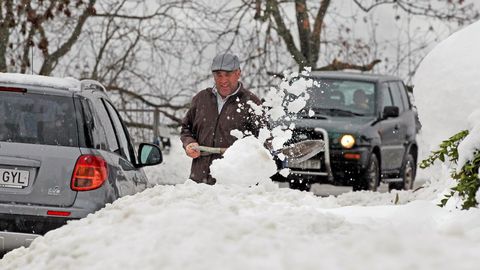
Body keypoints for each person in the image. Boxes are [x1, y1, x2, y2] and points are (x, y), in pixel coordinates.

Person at [180, 53, 264, 184]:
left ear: (238, 73)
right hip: (198, 182)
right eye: (219, 75)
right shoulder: (201, 99)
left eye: (228, 74)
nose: (223, 80)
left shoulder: (251, 103)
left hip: (234, 184)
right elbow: (186, 128)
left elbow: (263, 141)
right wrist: (189, 142)